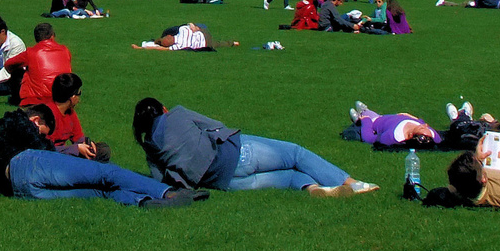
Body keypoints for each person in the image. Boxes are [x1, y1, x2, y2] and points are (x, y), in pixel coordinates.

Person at [133, 98, 378, 196]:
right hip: (238, 154)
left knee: (289, 176)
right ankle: (349, 182)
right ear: (163, 109)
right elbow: (215, 125)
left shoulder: (150, 149)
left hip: (225, 182)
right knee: (295, 153)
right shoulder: (177, 113)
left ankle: (314, 189)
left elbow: (163, 182)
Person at [0, 106, 202, 206]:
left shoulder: (5, 139)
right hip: (29, 166)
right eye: (42, 134)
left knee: (99, 193)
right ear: (35, 121)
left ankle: (144, 202)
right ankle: (168, 192)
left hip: (22, 190)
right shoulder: (18, 123)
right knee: (107, 173)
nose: (44, 138)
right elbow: (46, 152)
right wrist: (75, 150)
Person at [5, 22, 72, 107]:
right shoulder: (65, 50)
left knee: (17, 71)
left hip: (37, 98)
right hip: (63, 97)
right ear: (52, 36)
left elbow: (8, 64)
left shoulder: (31, 52)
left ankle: (15, 99)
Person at [48, 73, 111, 161]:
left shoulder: (70, 113)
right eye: (79, 93)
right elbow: (45, 149)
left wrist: (88, 144)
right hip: (49, 157)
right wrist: (75, 149)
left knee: (103, 149)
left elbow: (78, 138)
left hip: (64, 154)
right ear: (73, 97)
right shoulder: (48, 115)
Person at [349, 102, 443, 145]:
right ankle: (365, 111)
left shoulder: (393, 136)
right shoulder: (432, 135)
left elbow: (369, 138)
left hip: (376, 121)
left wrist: (366, 121)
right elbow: (422, 122)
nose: (425, 126)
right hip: (389, 117)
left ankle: (359, 118)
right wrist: (410, 116)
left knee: (370, 116)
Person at [132, 22, 236, 50]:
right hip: (203, 34)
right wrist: (195, 27)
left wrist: (141, 48)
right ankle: (232, 43)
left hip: (205, 44)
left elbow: (159, 49)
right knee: (200, 25)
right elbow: (191, 25)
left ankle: (233, 43)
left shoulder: (178, 46)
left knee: (219, 44)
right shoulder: (182, 30)